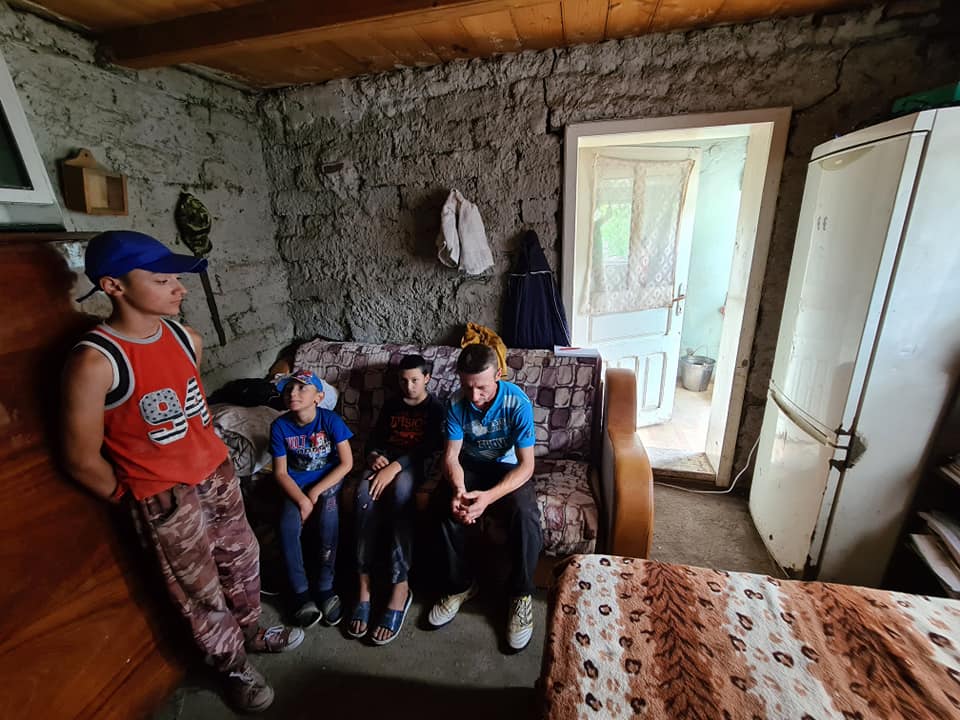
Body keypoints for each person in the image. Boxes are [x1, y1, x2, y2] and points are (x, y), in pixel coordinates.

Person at [61, 230, 302, 715]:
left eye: (176, 278)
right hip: (164, 495)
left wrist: (217, 465)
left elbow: (194, 412)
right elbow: (81, 459)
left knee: (242, 557)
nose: (180, 288)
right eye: (162, 280)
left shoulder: (184, 338)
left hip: (216, 475)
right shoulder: (97, 361)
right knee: (198, 589)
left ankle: (252, 629)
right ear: (114, 286)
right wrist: (137, 495)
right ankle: (232, 665)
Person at [427, 343, 542, 651]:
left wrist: (488, 498)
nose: (475, 396)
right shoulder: (455, 403)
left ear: (498, 375)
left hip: (508, 467)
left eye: (482, 388)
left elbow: (527, 465)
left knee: (525, 514)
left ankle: (520, 594)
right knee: (441, 505)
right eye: (467, 387)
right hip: (471, 465)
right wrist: (459, 490)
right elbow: (451, 457)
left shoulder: (517, 403)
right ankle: (460, 586)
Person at [348, 354, 444, 645]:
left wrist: (395, 467)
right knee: (363, 496)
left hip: (414, 465)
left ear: (427, 379)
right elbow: (375, 438)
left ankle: (399, 587)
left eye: (415, 380)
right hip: (385, 460)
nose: (409, 386)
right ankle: (363, 587)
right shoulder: (392, 404)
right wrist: (374, 456)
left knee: (402, 492)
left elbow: (429, 447)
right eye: (403, 380)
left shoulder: (435, 407)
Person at [270, 370, 353, 629]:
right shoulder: (280, 426)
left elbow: (347, 463)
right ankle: (300, 592)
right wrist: (303, 501)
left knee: (329, 519)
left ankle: (326, 587)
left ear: (318, 397)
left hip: (327, 482)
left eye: (301, 388)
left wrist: (314, 493)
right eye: (288, 389)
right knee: (287, 525)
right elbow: (280, 473)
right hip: (296, 485)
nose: (293, 393)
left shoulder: (330, 421)